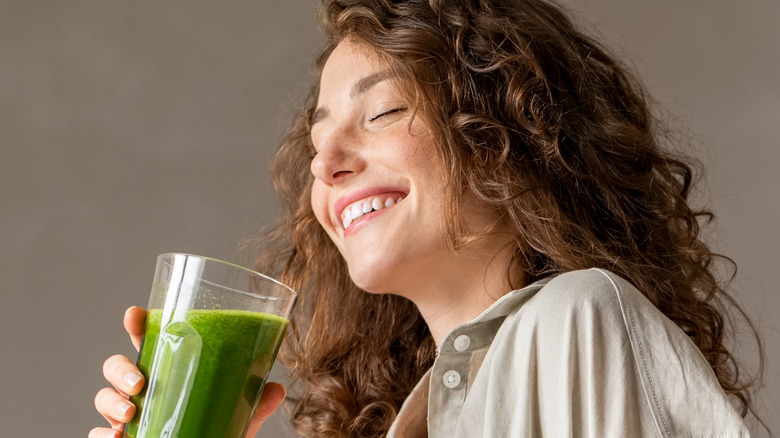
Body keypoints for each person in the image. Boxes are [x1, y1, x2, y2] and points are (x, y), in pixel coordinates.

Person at [92, 0, 763, 437]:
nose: (326, 166)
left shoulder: (577, 321)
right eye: (317, 144)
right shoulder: (415, 420)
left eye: (381, 113)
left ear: (504, 137)